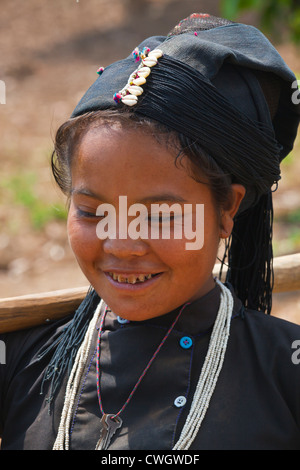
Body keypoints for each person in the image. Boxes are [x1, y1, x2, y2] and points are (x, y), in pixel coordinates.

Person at [1, 13, 300, 450]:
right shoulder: (22, 360)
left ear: (227, 208)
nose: (121, 243)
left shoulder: (284, 371)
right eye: (91, 211)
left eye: (159, 216)